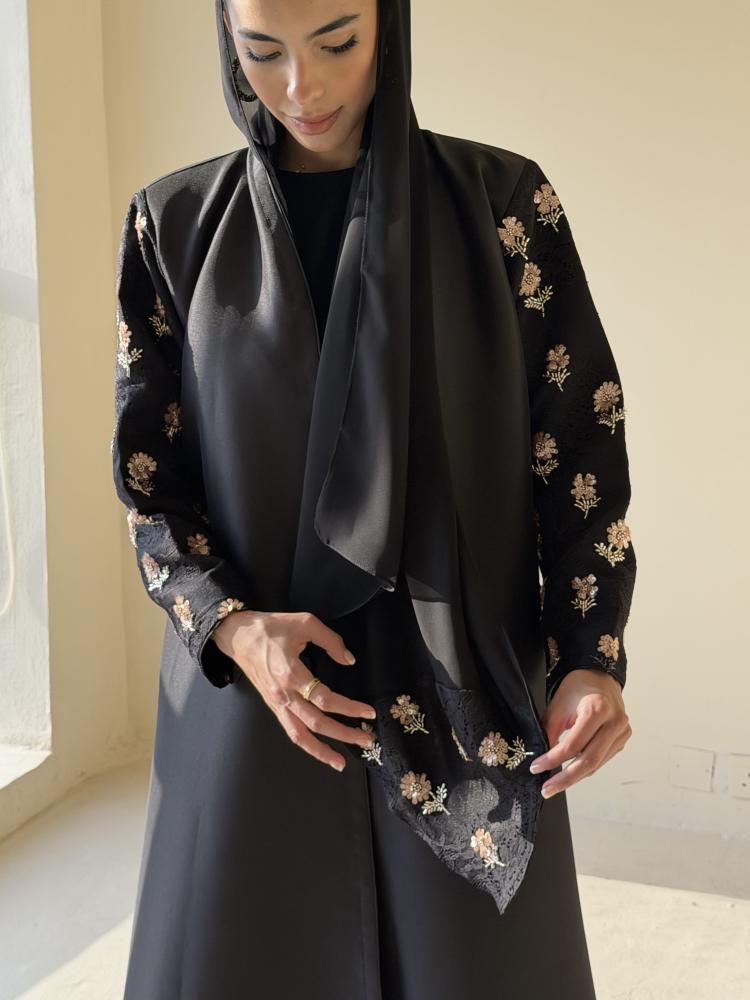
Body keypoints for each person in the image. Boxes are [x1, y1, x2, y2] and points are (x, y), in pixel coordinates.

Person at [111, 0, 636, 996]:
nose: (300, 87)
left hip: (467, 709)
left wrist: (589, 657)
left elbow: (579, 449)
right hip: (259, 709)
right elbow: (150, 488)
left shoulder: (503, 206)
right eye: (262, 51)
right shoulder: (171, 229)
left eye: (337, 42)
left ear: (389, 22)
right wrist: (231, 628)